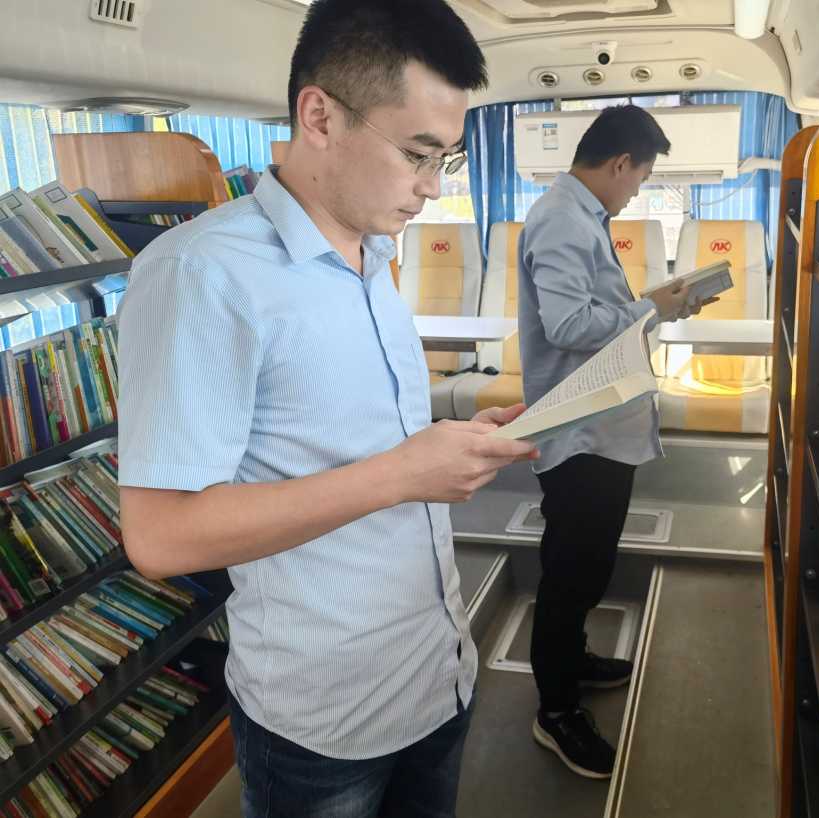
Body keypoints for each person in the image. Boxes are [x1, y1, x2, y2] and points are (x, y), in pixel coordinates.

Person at [116, 2, 537, 816]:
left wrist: (447, 444)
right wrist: (404, 473)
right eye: (416, 154)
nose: (432, 187)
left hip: (436, 671)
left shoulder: (372, 253)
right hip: (324, 723)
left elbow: (359, 440)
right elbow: (161, 537)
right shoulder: (201, 274)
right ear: (319, 117)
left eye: (445, 159)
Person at [518, 104, 707, 779]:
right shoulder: (563, 220)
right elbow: (569, 326)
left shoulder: (581, 217)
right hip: (580, 433)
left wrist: (653, 303)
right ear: (621, 163)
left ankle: (572, 661)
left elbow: (593, 312)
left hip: (600, 427)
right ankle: (555, 709)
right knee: (571, 572)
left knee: (589, 564)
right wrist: (654, 307)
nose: (636, 192)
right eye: (641, 179)